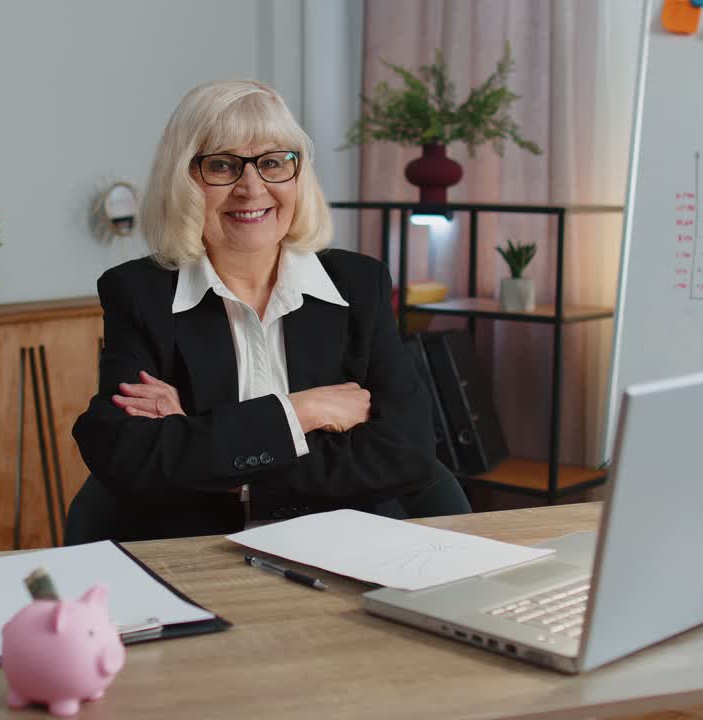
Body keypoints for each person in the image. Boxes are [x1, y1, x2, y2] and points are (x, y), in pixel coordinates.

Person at [71, 79, 470, 541]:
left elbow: (407, 452)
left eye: (273, 163)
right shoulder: (140, 293)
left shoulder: (360, 285)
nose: (251, 187)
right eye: (222, 165)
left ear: (298, 175)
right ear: (184, 180)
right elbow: (125, 455)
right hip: (200, 554)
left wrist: (215, 454)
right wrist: (302, 412)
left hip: (349, 547)